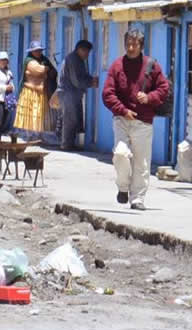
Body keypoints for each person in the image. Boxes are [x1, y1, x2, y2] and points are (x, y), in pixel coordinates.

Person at [102, 29, 169, 211]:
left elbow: (164, 88)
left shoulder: (151, 66)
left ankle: (138, 198)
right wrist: (123, 110)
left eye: (135, 44)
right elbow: (107, 94)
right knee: (120, 154)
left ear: (141, 46)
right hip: (122, 119)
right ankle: (123, 188)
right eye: (128, 44)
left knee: (142, 161)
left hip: (144, 121)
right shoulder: (117, 66)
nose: (131, 48)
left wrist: (149, 98)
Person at [57, 40, 99, 151]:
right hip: (68, 92)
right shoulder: (73, 59)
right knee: (70, 119)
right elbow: (77, 81)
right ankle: (66, 144)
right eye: (86, 52)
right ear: (80, 50)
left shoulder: (78, 60)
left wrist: (90, 79)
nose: (87, 55)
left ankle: (69, 142)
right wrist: (91, 83)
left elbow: (83, 75)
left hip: (72, 93)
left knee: (73, 119)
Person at [14, 41, 58, 136]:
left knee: (40, 114)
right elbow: (38, 70)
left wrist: (46, 71)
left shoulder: (44, 60)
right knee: (31, 113)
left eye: (39, 50)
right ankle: (29, 135)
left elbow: (54, 71)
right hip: (30, 92)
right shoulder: (29, 60)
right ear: (31, 51)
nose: (38, 52)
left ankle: (39, 134)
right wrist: (46, 69)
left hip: (42, 92)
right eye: (36, 50)